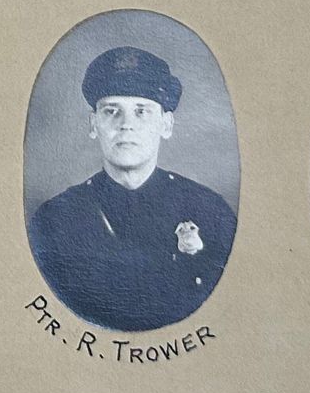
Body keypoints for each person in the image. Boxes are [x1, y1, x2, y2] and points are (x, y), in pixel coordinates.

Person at [27, 45, 237, 333]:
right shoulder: (54, 220)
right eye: (112, 111)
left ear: (166, 124)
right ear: (93, 124)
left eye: (142, 111)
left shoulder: (210, 212)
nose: (126, 125)